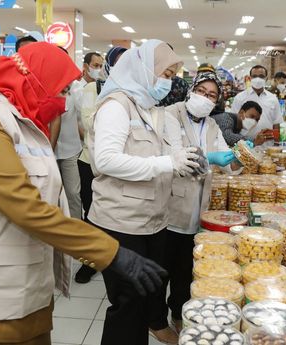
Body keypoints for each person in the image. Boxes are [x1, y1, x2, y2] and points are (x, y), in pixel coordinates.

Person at [0, 41, 166, 345]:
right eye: (60, 89)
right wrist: (110, 252)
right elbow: (26, 207)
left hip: (25, 287)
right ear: (34, 81)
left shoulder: (28, 124)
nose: (64, 99)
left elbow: (48, 202)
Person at [87, 39, 196, 345]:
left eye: (173, 75)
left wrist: (184, 161)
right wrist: (165, 163)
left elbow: (166, 154)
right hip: (122, 222)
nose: (170, 81)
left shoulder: (150, 106)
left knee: (147, 292)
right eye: (165, 73)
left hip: (153, 218)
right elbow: (106, 160)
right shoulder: (116, 106)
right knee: (128, 304)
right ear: (144, 69)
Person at [163, 72, 239, 333]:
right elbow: (175, 155)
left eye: (212, 95)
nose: (206, 98)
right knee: (163, 266)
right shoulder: (172, 114)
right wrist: (211, 157)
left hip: (198, 208)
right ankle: (155, 319)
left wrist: (240, 155)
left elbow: (229, 166)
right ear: (192, 90)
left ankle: (179, 314)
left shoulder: (212, 125)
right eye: (202, 92)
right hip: (170, 205)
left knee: (185, 267)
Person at [75, 47, 125, 284]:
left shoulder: (138, 93)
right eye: (117, 62)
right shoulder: (92, 88)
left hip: (124, 166)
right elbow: (88, 123)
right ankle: (91, 261)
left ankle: (116, 258)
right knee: (93, 214)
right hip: (92, 162)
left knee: (119, 214)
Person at [54, 52, 104, 222]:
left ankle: (75, 229)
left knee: (74, 194)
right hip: (48, 150)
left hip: (71, 150)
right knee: (51, 193)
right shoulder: (42, 85)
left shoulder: (75, 88)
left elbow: (83, 120)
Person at [230, 65, 283, 145]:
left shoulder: (273, 99)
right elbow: (233, 123)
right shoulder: (240, 98)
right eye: (254, 76)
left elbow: (276, 124)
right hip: (246, 145)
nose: (258, 79)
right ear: (250, 78)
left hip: (267, 145)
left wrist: (276, 143)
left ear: (266, 79)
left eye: (261, 76)